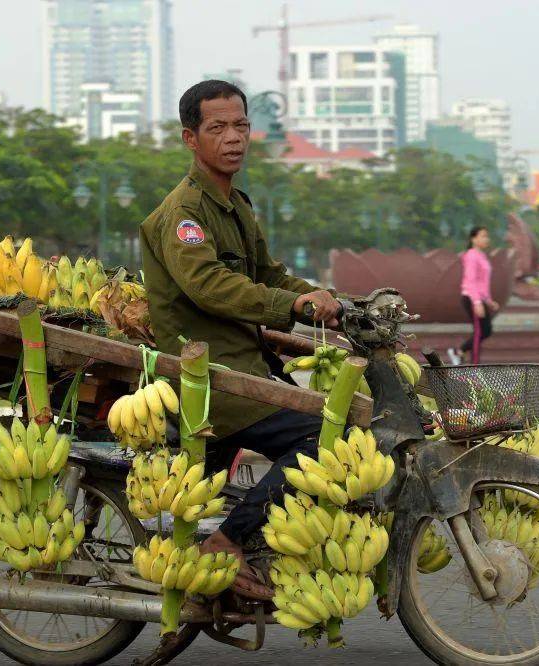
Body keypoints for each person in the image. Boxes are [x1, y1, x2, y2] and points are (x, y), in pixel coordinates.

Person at [140, 80, 342, 599]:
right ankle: (228, 542)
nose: (234, 138)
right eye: (218, 128)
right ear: (190, 138)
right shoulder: (184, 214)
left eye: (242, 126)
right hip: (210, 379)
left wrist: (321, 296)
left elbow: (269, 274)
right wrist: (291, 306)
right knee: (321, 436)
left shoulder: (235, 204)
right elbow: (208, 285)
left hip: (243, 366)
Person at [448, 226, 498, 365]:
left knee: (486, 331)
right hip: (471, 298)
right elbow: (471, 280)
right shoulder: (471, 255)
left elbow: (482, 282)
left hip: (480, 299)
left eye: (487, 236)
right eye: (482, 236)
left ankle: (458, 352)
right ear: (473, 238)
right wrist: (476, 302)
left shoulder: (481, 256)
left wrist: (488, 301)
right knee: (479, 332)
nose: (486, 239)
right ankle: (475, 366)